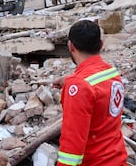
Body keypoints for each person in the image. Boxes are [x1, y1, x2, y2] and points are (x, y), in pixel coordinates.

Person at [53, 20, 127, 166]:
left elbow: (71, 147)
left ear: (71, 46)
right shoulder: (111, 73)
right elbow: (95, 86)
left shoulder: (80, 85)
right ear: (100, 45)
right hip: (117, 159)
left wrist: (74, 83)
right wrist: (70, 81)